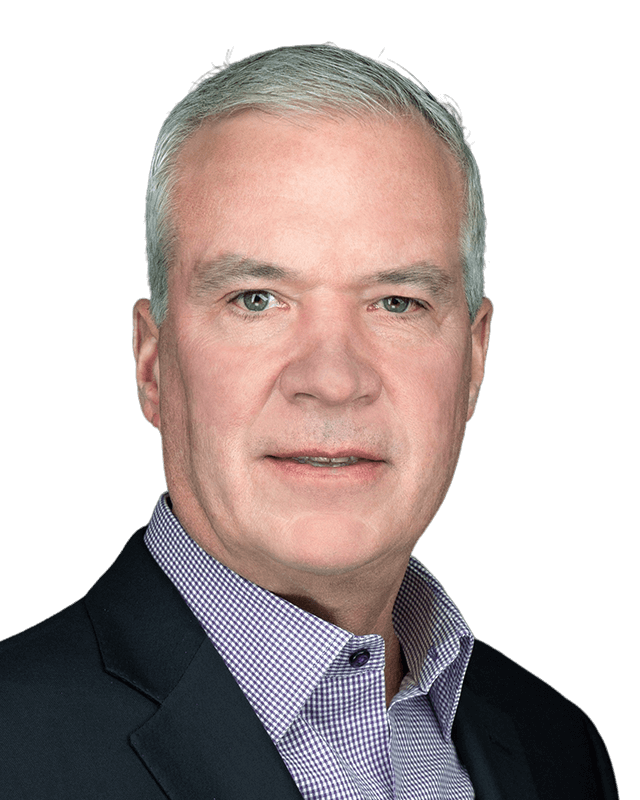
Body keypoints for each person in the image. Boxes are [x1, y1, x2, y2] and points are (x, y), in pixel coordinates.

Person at [0, 44, 617, 799]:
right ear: (152, 364)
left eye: (397, 303)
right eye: (256, 299)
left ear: (475, 361)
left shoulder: (559, 750)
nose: (332, 381)